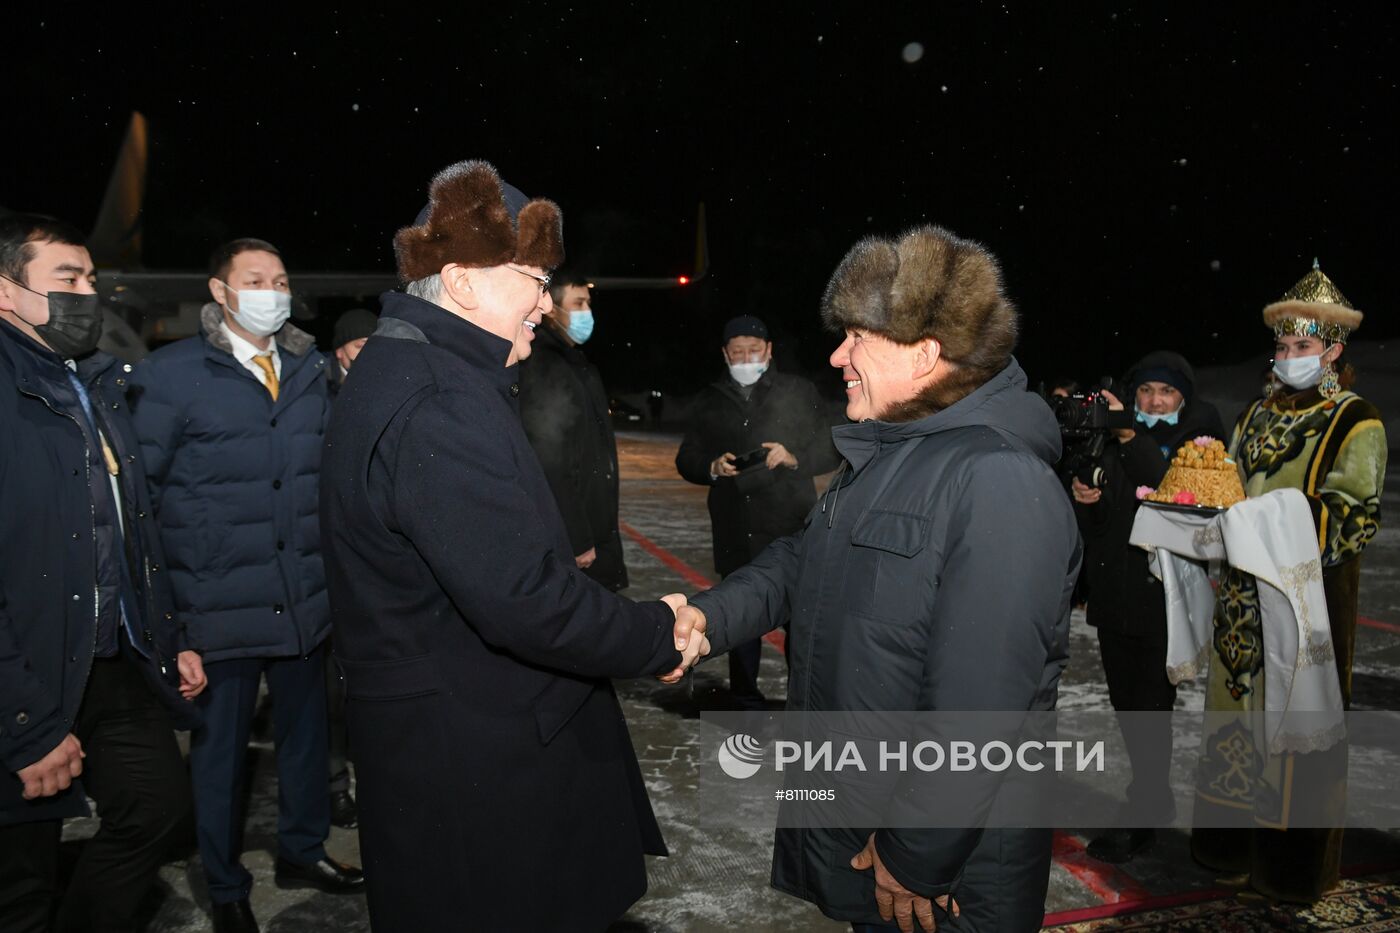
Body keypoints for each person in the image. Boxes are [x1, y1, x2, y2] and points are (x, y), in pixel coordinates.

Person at [319, 159, 708, 933]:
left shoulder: (422, 368)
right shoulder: (437, 400)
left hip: (461, 740)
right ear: (461, 281)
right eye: (532, 277)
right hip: (477, 762)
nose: (545, 300)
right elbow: (524, 600)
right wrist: (655, 630)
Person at [678, 226, 1081, 932]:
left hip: (943, 879)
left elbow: (981, 704)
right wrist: (708, 618)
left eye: (857, 337)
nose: (839, 355)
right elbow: (799, 562)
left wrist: (918, 853)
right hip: (873, 824)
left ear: (926, 353)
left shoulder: (998, 480)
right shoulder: (891, 456)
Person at [129, 237, 360, 933]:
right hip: (216, 602)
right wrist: (167, 612)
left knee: (304, 740)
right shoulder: (173, 375)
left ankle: (301, 849)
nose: (272, 289)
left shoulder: (309, 371)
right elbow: (142, 492)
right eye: (255, 278)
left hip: (300, 598)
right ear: (220, 292)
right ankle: (225, 882)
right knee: (221, 757)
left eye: (281, 278)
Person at [0, 214, 206, 932]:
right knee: (18, 876)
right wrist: (24, 723)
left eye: (90, 278)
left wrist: (168, 632)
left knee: (157, 809)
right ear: (5, 292)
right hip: (23, 667)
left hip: (111, 655)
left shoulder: (98, 386)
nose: (89, 293)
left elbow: (133, 525)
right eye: (68, 279)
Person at [1192, 261, 1387, 903]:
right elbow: (1230, 481)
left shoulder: (1356, 421)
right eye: (1282, 346)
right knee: (1237, 720)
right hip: (1243, 598)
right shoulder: (1255, 414)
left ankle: (1292, 867)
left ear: (1332, 350)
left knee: (1295, 730)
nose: (1288, 356)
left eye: (1302, 347)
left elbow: (1353, 517)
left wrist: (1269, 520)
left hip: (1307, 603)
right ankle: (1230, 848)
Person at [1069, 352, 1225, 863]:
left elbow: (1171, 492)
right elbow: (1103, 527)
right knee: (1127, 706)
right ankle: (1151, 795)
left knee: (1151, 708)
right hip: (1116, 595)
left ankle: (1146, 807)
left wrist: (1131, 437)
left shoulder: (1198, 440)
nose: (1154, 401)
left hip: (1165, 598)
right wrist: (1087, 501)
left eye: (1166, 392)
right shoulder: (1115, 440)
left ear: (1183, 398)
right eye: (1146, 392)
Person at [675, 314, 838, 709]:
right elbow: (687, 457)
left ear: (768, 351)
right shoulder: (710, 398)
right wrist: (712, 467)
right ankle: (745, 699)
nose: (746, 358)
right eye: (737, 352)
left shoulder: (797, 391)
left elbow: (831, 448)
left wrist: (794, 456)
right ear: (725, 354)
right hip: (735, 528)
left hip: (789, 526)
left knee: (799, 623)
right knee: (738, 621)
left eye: (753, 350)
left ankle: (805, 702)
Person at [519, 270, 629, 590]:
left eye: (588, 303)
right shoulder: (544, 365)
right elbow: (549, 456)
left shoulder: (573, 361)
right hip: (575, 535)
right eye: (578, 303)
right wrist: (577, 535)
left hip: (592, 524)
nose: (587, 312)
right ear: (550, 307)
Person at [324, 307, 380, 828]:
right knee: (331, 696)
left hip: (372, 568)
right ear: (340, 351)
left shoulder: (383, 392)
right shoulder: (318, 400)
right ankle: (336, 785)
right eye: (360, 346)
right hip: (326, 569)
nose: (369, 356)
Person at [330, 307, 378, 390]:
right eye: (360, 346)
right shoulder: (320, 385)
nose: (369, 353)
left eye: (374, 346)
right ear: (339, 351)